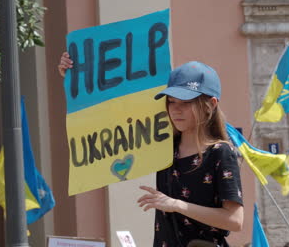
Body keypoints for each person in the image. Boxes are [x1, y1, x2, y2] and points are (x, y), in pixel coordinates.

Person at [58, 55, 244, 247]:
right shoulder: (163, 147)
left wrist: (176, 205)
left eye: (185, 102)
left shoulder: (220, 152)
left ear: (211, 104)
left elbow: (235, 220)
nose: (176, 109)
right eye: (171, 101)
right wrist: (74, 79)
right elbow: (112, 119)